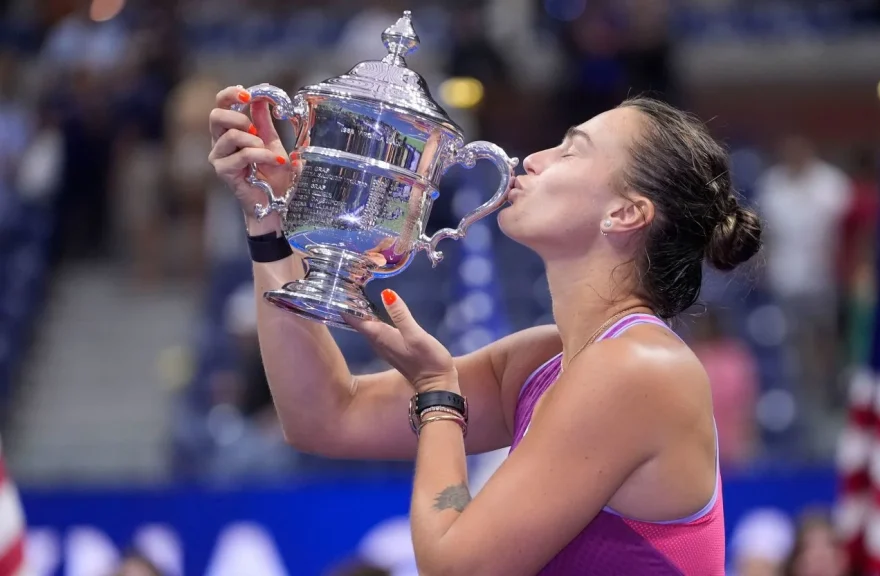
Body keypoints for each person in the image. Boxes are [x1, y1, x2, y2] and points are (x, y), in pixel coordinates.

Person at [209, 87, 762, 575]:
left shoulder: (637, 367)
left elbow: (455, 567)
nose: (535, 159)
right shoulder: (545, 360)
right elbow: (324, 416)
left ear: (625, 213)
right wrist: (269, 217)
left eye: (571, 151)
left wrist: (438, 396)